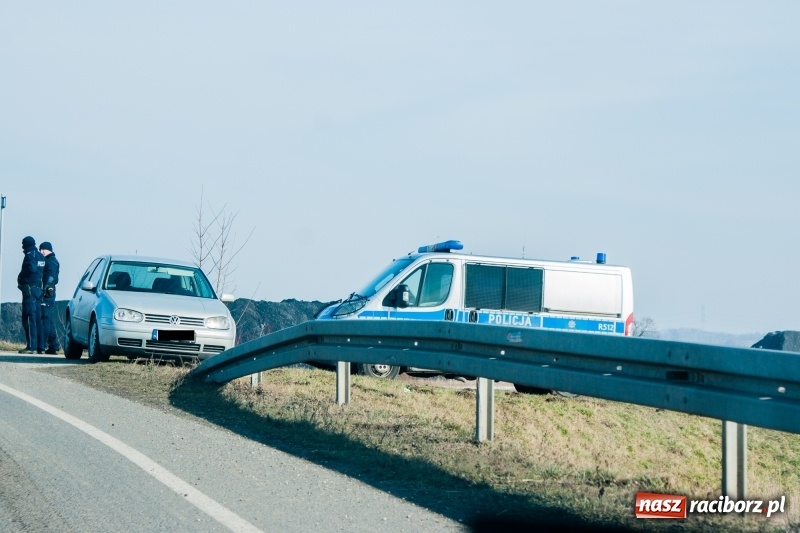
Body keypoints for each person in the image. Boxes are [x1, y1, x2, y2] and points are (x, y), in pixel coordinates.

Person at [17, 236, 45, 354]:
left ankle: (31, 347)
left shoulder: (29, 255)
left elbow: (31, 268)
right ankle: (40, 346)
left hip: (30, 289)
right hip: (38, 289)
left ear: (25, 245)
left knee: (28, 317)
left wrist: (21, 277)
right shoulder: (40, 256)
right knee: (38, 318)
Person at [39, 241, 60, 354]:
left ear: (49, 250)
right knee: (48, 319)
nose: (41, 251)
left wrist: (44, 288)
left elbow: (50, 277)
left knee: (45, 319)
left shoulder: (51, 262)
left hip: (47, 293)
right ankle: (53, 346)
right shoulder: (49, 261)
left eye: (43, 249)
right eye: (40, 249)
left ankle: (44, 345)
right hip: (48, 292)